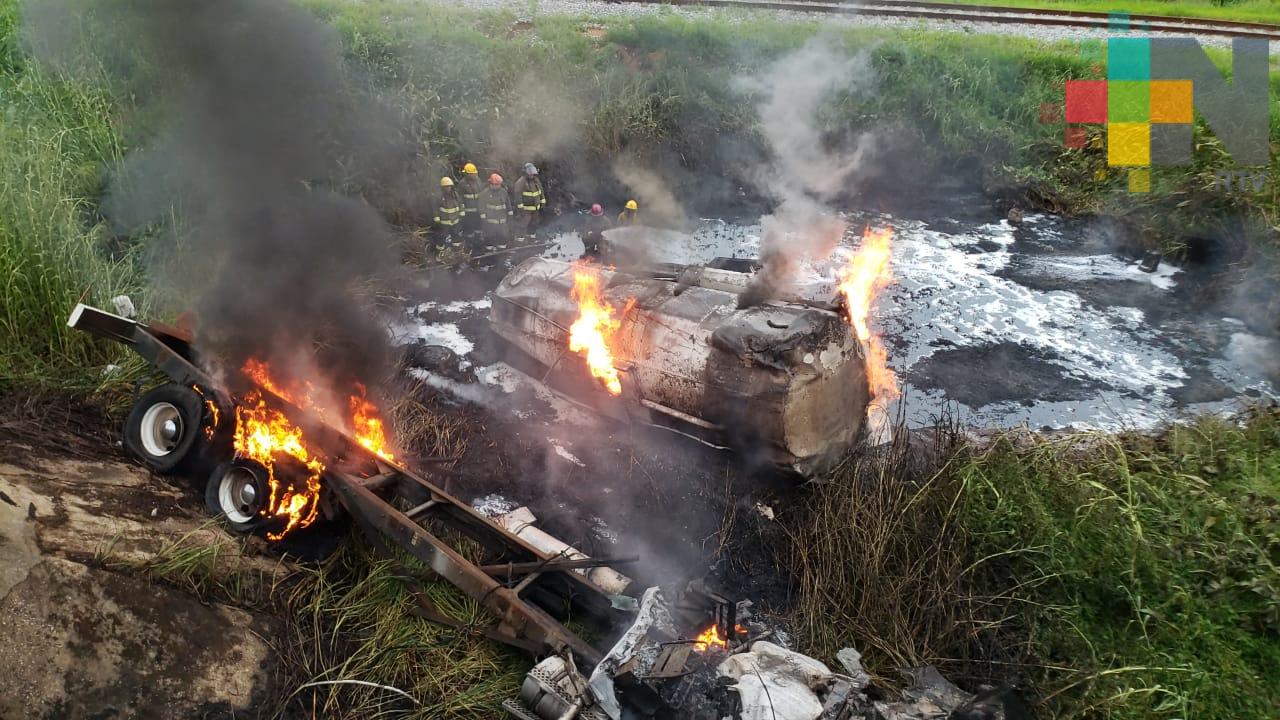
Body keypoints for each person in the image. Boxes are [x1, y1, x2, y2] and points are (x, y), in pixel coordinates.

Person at [512, 162, 546, 244]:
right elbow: (517, 196)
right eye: (530, 173)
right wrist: (521, 208)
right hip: (526, 209)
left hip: (535, 209)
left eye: (532, 173)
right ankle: (519, 241)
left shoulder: (536, 181)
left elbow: (541, 192)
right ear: (525, 172)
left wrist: (542, 202)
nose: (531, 175)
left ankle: (531, 239)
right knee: (522, 225)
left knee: (534, 224)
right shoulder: (521, 182)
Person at [479, 173, 513, 251]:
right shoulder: (485, 193)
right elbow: (481, 206)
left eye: (499, 184)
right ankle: (489, 251)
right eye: (496, 184)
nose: (498, 186)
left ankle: (502, 250)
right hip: (490, 222)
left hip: (502, 221)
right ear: (491, 184)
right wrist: (484, 219)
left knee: (502, 236)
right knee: (489, 237)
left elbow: (508, 204)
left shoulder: (503, 192)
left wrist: (510, 214)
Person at [433, 176, 463, 249]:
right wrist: (436, 217)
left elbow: (460, 203)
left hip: (455, 220)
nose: (448, 188)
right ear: (442, 188)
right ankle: (440, 250)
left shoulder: (455, 195)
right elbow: (435, 208)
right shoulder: (439, 196)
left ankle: (456, 250)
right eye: (446, 187)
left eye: (449, 186)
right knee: (442, 236)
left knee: (456, 235)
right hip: (444, 221)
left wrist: (462, 212)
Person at [458, 162, 483, 247]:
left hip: (478, 210)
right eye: (472, 174)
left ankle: (478, 243)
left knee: (478, 228)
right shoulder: (462, 184)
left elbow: (481, 194)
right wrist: (462, 211)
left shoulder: (478, 181)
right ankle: (470, 245)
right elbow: (460, 198)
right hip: (468, 212)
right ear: (467, 174)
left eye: (474, 173)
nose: (474, 175)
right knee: (469, 229)